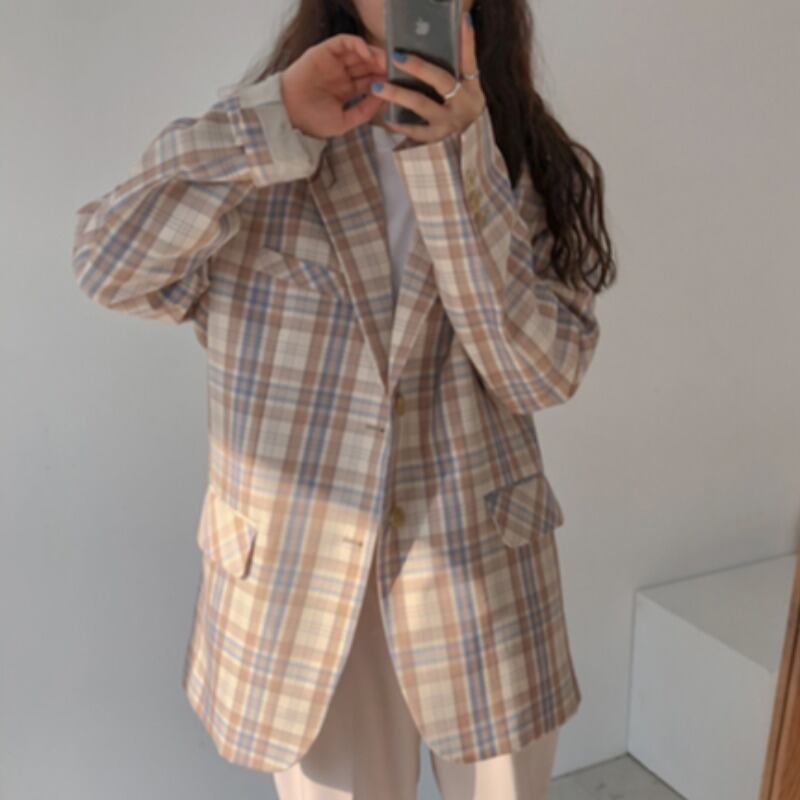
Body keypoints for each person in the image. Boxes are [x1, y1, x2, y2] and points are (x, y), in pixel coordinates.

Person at [71, 1, 615, 797]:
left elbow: (539, 374)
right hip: (299, 586)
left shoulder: (529, 164)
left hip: (478, 573)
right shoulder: (264, 144)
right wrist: (274, 119)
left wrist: (457, 161)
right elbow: (108, 267)